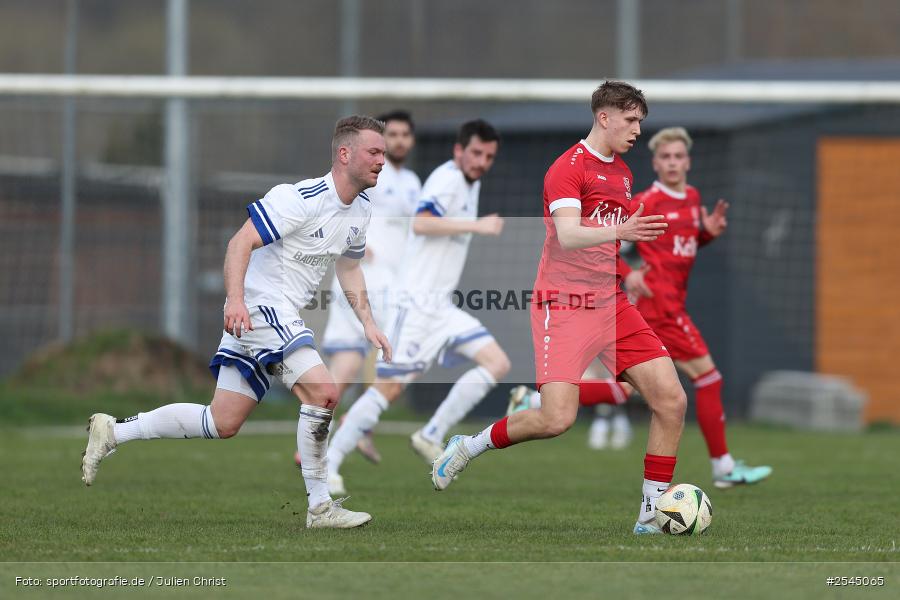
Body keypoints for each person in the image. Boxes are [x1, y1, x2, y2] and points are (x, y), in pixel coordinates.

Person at [80, 115, 393, 529]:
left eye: (384, 153)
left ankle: (113, 432)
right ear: (344, 153)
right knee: (324, 393)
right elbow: (240, 242)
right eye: (374, 152)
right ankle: (320, 508)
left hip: (270, 315)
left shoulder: (362, 209)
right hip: (262, 307)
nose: (382, 161)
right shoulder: (299, 198)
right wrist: (236, 300)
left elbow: (349, 269)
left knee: (222, 421)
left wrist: (368, 322)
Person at [430, 80, 685, 535]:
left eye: (640, 122)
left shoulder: (624, 173)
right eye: (630, 120)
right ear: (603, 117)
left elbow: (603, 246)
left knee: (670, 399)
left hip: (611, 303)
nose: (636, 130)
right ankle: (468, 446)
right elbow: (568, 235)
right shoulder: (566, 169)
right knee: (556, 419)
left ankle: (652, 511)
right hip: (563, 305)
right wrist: (621, 232)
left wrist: (628, 271)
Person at [326, 119, 510, 496]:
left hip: (439, 307)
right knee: (387, 390)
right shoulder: (448, 179)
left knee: (497, 363)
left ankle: (431, 433)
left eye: (489, 156)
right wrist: (477, 226)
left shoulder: (468, 182)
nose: (481, 162)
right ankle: (331, 460)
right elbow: (423, 224)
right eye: (475, 153)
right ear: (459, 151)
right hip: (414, 306)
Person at [621, 126, 772, 488]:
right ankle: (723, 468)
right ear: (655, 163)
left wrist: (706, 234)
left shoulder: (692, 197)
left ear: (688, 161)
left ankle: (537, 398)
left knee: (626, 386)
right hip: (659, 305)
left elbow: (682, 246)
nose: (672, 162)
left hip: (669, 304)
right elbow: (606, 241)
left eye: (678, 156)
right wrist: (627, 273)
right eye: (665, 157)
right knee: (709, 378)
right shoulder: (646, 201)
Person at [320, 110, 422, 464]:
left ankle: (339, 431)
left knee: (370, 360)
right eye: (391, 134)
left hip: (392, 281)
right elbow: (337, 205)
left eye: (405, 135)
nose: (398, 141)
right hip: (364, 275)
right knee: (380, 360)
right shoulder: (364, 175)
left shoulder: (411, 182)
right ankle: (340, 428)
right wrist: (355, 245)